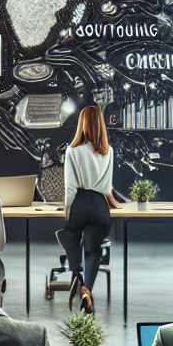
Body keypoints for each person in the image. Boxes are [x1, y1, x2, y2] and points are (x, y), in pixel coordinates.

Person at [56, 105, 122, 314]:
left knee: (69, 234)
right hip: (100, 205)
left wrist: (67, 212)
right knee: (93, 248)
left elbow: (70, 187)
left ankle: (76, 272)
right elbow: (107, 186)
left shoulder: (73, 150)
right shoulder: (108, 151)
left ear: (82, 124)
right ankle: (87, 290)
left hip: (80, 201)